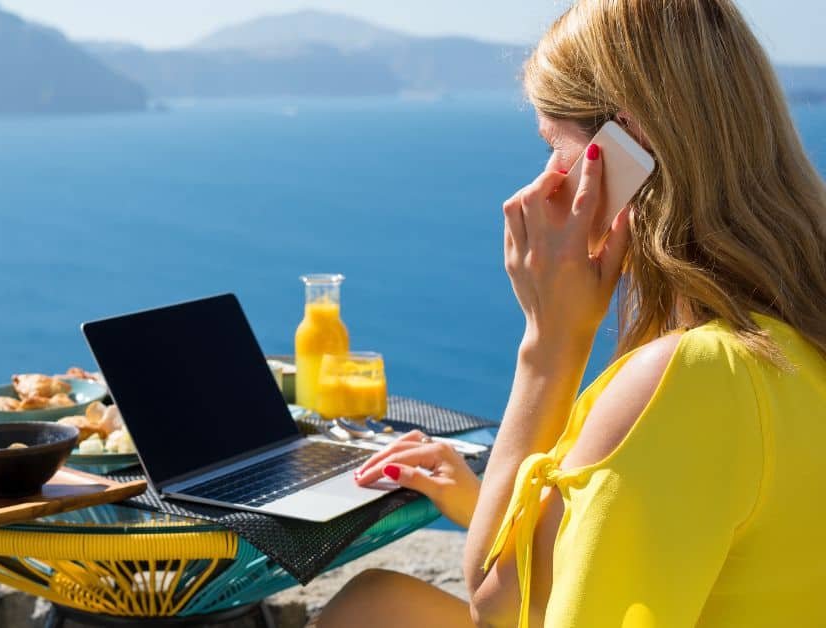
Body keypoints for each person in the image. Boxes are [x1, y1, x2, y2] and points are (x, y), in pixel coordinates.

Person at [315, 0, 826, 626]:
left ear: (623, 154)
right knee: (379, 603)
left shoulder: (693, 379)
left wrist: (550, 342)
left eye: (556, 148)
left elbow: (499, 603)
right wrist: (495, 503)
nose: (546, 184)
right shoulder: (794, 339)